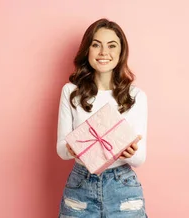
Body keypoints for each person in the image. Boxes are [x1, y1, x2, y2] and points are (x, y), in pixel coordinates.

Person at [55, 18, 148, 218]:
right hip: (80, 186)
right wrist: (71, 148)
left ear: (121, 52)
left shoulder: (136, 97)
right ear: (87, 50)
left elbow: (139, 158)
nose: (104, 52)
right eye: (96, 45)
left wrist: (128, 152)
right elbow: (61, 150)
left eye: (111, 46)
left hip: (123, 187)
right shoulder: (71, 92)